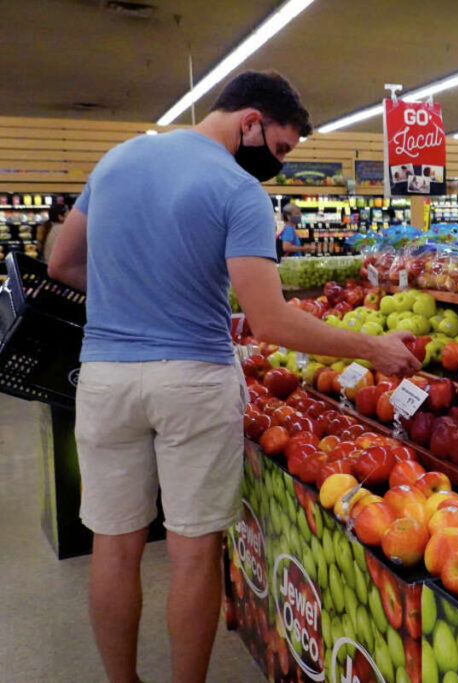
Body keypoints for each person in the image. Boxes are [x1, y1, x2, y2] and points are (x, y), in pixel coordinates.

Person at [47, 70, 420, 683]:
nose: (275, 165)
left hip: (106, 376)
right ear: (251, 121)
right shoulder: (237, 189)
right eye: (277, 149)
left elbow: (62, 262)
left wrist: (133, 297)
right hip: (192, 379)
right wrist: (372, 349)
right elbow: (272, 321)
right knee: (194, 553)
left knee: (114, 546)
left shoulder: (117, 159)